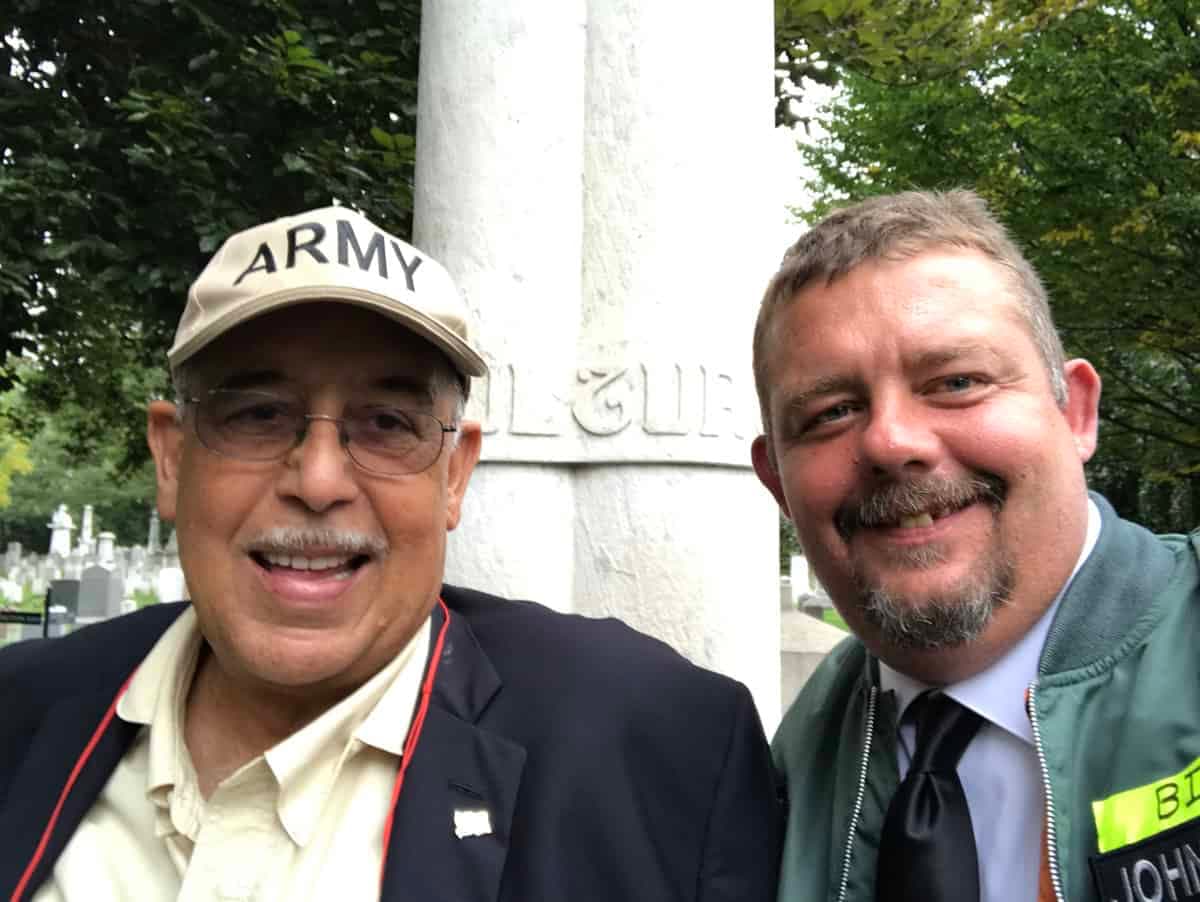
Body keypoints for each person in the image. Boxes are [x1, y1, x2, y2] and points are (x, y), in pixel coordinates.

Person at [0, 206, 780, 901]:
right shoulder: (20, 715)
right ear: (171, 459)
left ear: (455, 475)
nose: (319, 479)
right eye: (258, 414)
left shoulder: (656, 753)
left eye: (386, 424)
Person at [750, 189, 1200, 902]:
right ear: (776, 478)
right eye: (832, 412)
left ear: (1075, 412)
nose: (892, 441)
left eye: (957, 382)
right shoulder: (780, 773)